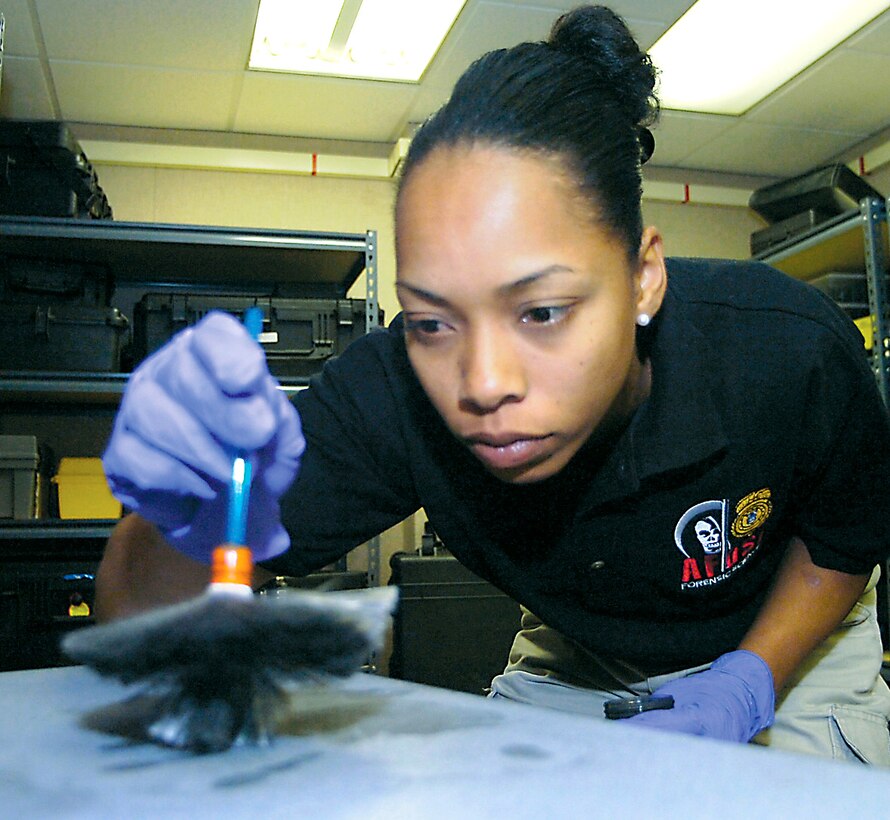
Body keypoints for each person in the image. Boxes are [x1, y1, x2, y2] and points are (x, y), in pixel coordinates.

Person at [96, 5, 890, 763]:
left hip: (787, 646)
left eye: (541, 310)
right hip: (583, 659)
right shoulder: (393, 392)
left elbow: (839, 543)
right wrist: (184, 514)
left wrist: (752, 681)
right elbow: (138, 620)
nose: (482, 383)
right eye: (434, 320)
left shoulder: (787, 349)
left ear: (644, 276)